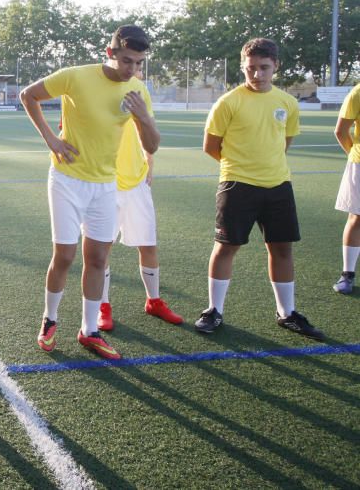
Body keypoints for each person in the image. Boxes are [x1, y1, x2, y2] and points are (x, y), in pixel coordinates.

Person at [19, 25, 159, 360]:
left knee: (98, 258)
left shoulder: (138, 89)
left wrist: (142, 118)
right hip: (67, 180)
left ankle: (89, 330)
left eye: (139, 63)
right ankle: (50, 320)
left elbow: (151, 144)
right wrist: (51, 140)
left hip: (105, 184)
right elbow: (29, 95)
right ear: (110, 53)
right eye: (127, 61)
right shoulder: (75, 77)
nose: (132, 70)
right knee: (65, 256)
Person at [194, 38, 324, 339]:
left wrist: (267, 166)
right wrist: (240, 168)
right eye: (250, 68)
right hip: (237, 185)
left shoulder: (287, 103)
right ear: (243, 67)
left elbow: (284, 143)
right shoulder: (228, 102)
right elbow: (211, 146)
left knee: (281, 248)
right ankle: (214, 310)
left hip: (279, 185)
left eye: (264, 68)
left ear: (275, 66)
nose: (257, 75)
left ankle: (286, 313)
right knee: (226, 247)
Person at [97, 90, 183, 331]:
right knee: (102, 248)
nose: (132, 67)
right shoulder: (96, 88)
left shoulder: (138, 90)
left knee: (148, 244)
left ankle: (153, 301)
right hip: (105, 182)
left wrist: (150, 160)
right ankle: (102, 307)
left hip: (137, 182)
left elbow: (148, 129)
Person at [333, 82, 360, 294]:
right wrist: (353, 154)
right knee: (357, 218)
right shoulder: (358, 92)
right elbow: (341, 131)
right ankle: (347, 274)